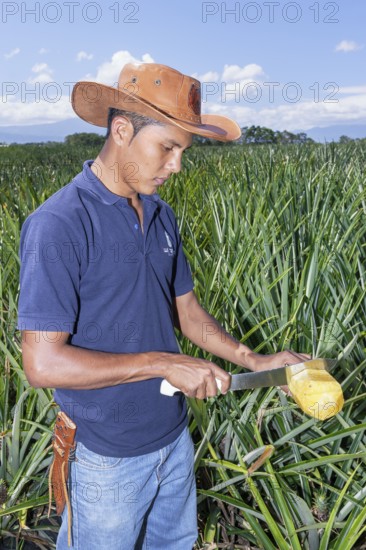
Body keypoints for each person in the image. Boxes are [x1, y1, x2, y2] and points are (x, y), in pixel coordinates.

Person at [17, 62, 309, 549]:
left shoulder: (160, 214)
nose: (176, 165)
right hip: (104, 457)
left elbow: (188, 312)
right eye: (167, 148)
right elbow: (42, 363)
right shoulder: (59, 224)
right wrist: (162, 363)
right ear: (122, 130)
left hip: (173, 442)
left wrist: (254, 361)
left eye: (182, 151)